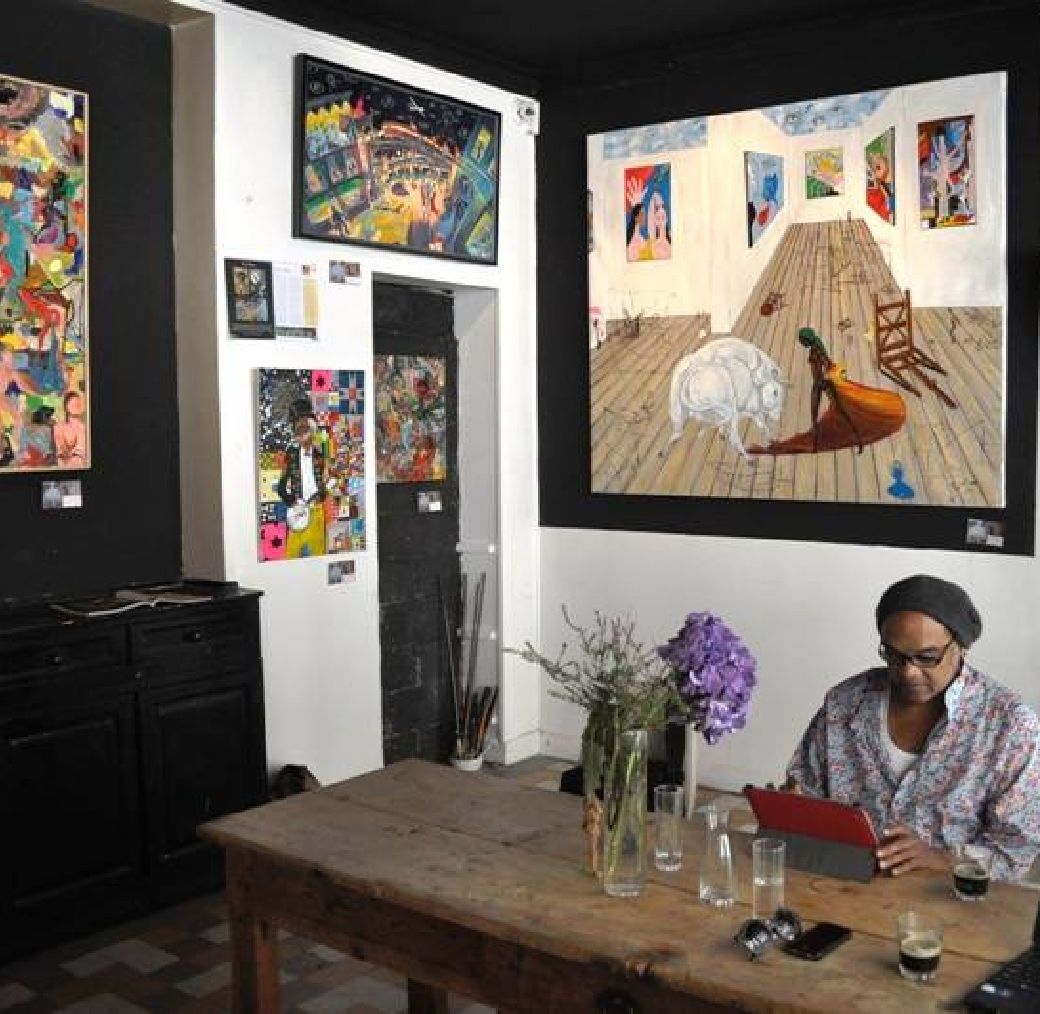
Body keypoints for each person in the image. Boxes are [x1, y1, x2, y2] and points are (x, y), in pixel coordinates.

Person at [785, 574, 1040, 882]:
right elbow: (807, 791)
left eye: (927, 657)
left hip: (948, 896)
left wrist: (942, 859)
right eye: (894, 655)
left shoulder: (1010, 726)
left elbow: (1017, 849)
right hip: (843, 886)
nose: (908, 672)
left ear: (961, 647)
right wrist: (793, 805)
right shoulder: (845, 703)